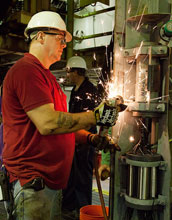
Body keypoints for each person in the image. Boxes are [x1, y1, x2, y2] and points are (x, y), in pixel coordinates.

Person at [1, 11, 120, 220]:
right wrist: (95, 116)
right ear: (40, 36)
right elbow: (48, 123)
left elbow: (63, 125)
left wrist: (90, 137)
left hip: (50, 185)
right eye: (60, 39)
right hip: (33, 184)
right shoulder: (26, 71)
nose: (64, 45)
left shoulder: (48, 78)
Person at [62, 56, 100, 220]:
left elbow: (89, 119)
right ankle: (69, 207)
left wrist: (80, 135)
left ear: (76, 71)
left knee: (82, 179)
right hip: (73, 140)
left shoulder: (89, 90)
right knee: (71, 177)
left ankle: (83, 210)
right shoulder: (76, 90)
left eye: (69, 71)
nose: (67, 75)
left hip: (84, 142)